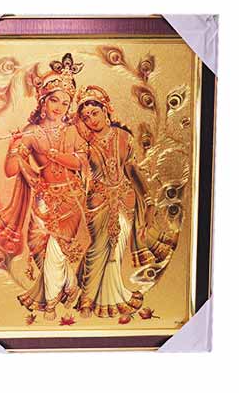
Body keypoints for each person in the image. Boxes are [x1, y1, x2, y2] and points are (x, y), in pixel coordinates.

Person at [0, 53, 88, 321]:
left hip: (70, 197)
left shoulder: (74, 131)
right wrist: (14, 146)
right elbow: (10, 170)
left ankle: (50, 303)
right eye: (55, 100)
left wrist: (56, 155)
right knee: (36, 246)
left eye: (65, 102)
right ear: (43, 101)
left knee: (56, 251)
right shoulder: (31, 131)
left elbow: (81, 162)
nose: (60, 107)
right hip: (43, 198)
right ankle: (70, 285)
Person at [73, 85, 156, 319]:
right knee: (98, 247)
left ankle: (110, 297)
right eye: (85, 117)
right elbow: (78, 167)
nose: (91, 120)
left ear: (106, 110)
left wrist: (148, 199)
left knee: (116, 249)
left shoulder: (123, 137)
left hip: (123, 201)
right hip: (97, 202)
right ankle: (87, 298)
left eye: (94, 113)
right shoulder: (84, 143)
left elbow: (132, 170)